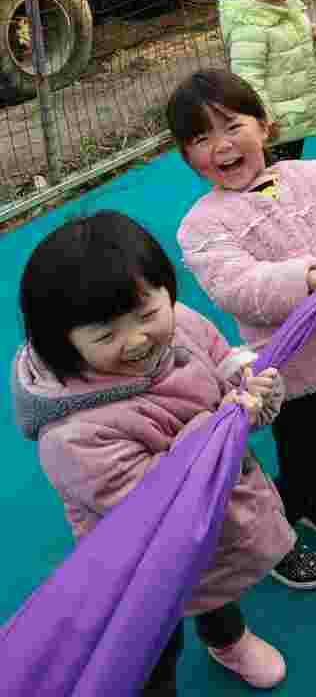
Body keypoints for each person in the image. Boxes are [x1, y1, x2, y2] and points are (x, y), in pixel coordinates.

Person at [12, 211, 294, 694]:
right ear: (63, 343)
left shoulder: (180, 323)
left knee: (214, 588)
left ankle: (227, 640)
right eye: (106, 335)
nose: (137, 338)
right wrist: (225, 419)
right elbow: (161, 500)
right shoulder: (72, 435)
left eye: (147, 315)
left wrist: (251, 381)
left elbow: (223, 358)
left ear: (166, 291)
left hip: (215, 518)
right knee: (149, 640)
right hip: (141, 560)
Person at [168, 69, 316, 591]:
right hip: (295, 369)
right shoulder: (201, 226)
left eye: (232, 126)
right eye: (201, 138)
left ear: (265, 125)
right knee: (305, 454)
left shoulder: (314, 174)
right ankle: (279, 531)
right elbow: (237, 285)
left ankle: (312, 499)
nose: (222, 146)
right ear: (188, 157)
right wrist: (308, 277)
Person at [220, 0, 316, 163]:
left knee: (290, 166)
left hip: (292, 112)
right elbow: (247, 77)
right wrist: (263, 115)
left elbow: (301, 48)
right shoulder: (250, 25)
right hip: (272, 122)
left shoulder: (288, 8)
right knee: (273, 172)